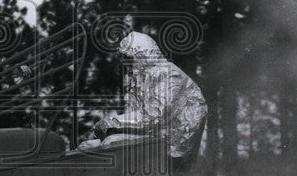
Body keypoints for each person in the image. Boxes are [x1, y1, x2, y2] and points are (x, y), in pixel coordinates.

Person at [78, 31, 207, 161]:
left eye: (129, 59)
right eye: (125, 60)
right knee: (108, 143)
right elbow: (133, 113)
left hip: (175, 141)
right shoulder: (140, 78)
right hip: (155, 133)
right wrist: (103, 136)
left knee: (113, 144)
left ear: (141, 55)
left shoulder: (168, 74)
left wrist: (111, 123)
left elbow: (152, 117)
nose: (127, 66)